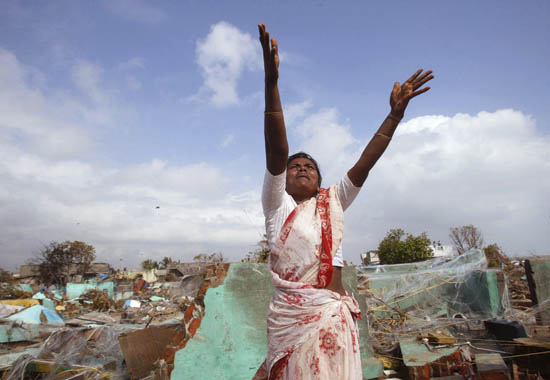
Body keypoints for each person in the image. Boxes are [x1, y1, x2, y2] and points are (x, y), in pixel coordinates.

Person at [253, 24, 433, 380]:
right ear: (284, 180)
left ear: (320, 180)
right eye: (295, 168)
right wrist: (271, 84)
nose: (302, 169)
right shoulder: (278, 206)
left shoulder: (332, 200)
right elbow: (277, 149)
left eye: (310, 167)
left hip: (333, 315)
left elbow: (365, 164)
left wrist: (395, 115)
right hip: (293, 318)